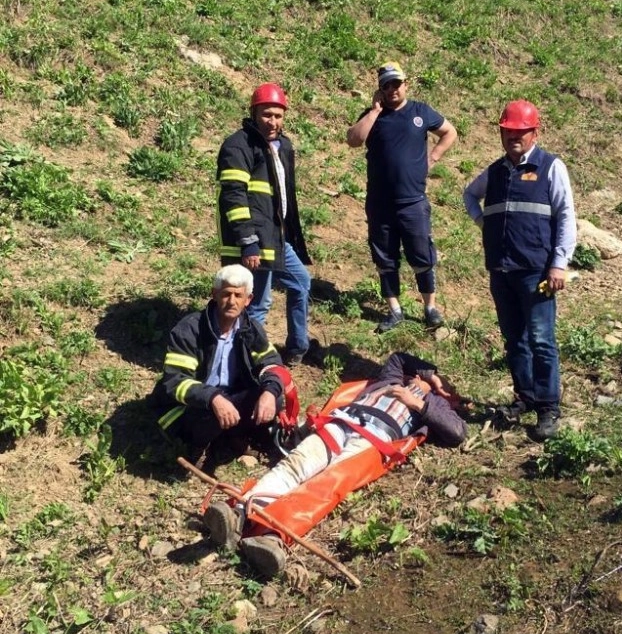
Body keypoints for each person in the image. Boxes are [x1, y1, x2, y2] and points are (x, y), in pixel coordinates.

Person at [203, 351, 467, 578]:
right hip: (344, 423)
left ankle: (273, 537)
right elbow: (399, 357)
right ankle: (238, 512)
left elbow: (456, 432)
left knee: (325, 485)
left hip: (374, 441)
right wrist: (428, 373)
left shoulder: (435, 406)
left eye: (439, 383)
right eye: (424, 376)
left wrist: (420, 402)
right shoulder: (392, 379)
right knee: (296, 464)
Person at [462, 99, 576, 441]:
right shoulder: (496, 171)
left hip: (536, 271)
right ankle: (524, 397)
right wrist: (484, 223)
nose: (513, 136)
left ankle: (547, 408)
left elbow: (566, 216)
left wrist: (559, 263)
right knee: (515, 340)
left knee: (542, 339)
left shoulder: (550, 167)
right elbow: (469, 195)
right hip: (502, 270)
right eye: (508, 131)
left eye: (520, 131)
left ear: (534, 133)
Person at [346, 61, 457, 333]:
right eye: (387, 85)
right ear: (380, 89)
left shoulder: (420, 111)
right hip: (380, 204)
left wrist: (434, 157)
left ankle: (430, 308)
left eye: (397, 83)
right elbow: (353, 139)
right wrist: (373, 111)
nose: (392, 89)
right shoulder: (374, 115)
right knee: (385, 259)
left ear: (405, 84)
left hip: (413, 202)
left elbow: (449, 131)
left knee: (422, 255)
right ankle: (395, 310)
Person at [152, 265, 293, 470]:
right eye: (226, 294)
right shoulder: (190, 329)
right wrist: (213, 397)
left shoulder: (250, 328)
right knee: (210, 409)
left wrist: (270, 393)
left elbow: (272, 363)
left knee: (275, 396)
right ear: (214, 294)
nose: (232, 301)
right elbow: (175, 382)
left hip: (229, 399)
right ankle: (195, 447)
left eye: (238, 295)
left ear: (248, 300)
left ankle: (235, 437)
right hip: (187, 409)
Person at [216, 83, 312, 366]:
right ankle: (245, 360)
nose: (273, 122)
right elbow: (233, 196)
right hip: (256, 242)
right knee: (257, 303)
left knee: (301, 284)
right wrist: (249, 242)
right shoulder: (238, 145)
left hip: (277, 238)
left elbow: (283, 196)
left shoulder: (283, 146)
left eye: (278, 116)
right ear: (253, 113)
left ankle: (297, 348)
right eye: (267, 115)